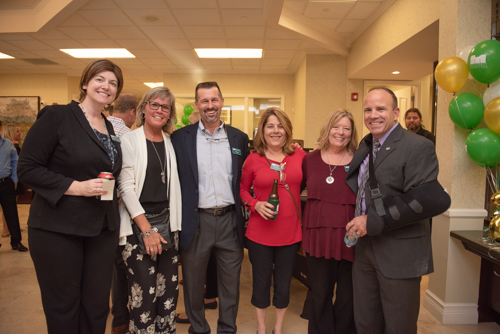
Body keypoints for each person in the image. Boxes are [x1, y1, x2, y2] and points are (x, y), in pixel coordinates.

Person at [17, 59, 123, 333]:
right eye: (100, 79)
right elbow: (27, 168)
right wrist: (77, 187)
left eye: (113, 83)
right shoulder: (57, 116)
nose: (106, 86)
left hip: (102, 229)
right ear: (85, 83)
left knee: (97, 305)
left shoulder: (109, 127)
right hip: (58, 228)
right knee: (64, 306)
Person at [345, 87, 439, 334]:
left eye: (380, 109)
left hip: (401, 252)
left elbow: (421, 201)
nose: (373, 115)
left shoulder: (417, 146)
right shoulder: (366, 146)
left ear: (396, 113)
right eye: (368, 109)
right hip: (365, 250)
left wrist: (372, 221)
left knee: (399, 326)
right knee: (365, 322)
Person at [171, 81, 249, 334]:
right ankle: (198, 329)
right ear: (197, 105)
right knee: (193, 284)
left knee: (230, 286)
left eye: (214, 100)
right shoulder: (180, 139)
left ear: (222, 102)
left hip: (229, 221)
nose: (210, 106)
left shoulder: (239, 138)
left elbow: (249, 178)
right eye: (204, 101)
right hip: (197, 222)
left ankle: (227, 329)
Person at [117, 86, 182, 333]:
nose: (159, 110)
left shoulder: (170, 142)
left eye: (165, 107)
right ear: (143, 108)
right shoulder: (129, 140)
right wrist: (147, 230)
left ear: (170, 113)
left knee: (168, 297)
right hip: (138, 228)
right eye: (154, 104)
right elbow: (125, 187)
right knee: (143, 297)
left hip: (168, 225)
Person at [240, 107, 305, 334]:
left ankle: (278, 328)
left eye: (280, 126)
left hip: (290, 234)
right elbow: (242, 190)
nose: (275, 131)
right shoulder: (253, 159)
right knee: (260, 283)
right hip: (259, 235)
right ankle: (261, 328)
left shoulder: (300, 156)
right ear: (262, 131)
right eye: (270, 126)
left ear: (287, 130)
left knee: (283, 284)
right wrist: (254, 204)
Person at [301, 109, 358, 334]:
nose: (341, 132)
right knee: (320, 294)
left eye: (346, 128)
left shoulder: (359, 160)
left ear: (352, 133)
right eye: (336, 127)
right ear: (328, 129)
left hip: (350, 238)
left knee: (348, 297)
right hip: (318, 237)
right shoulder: (310, 159)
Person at [176, 108, 219, 325]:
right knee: (196, 266)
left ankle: (210, 297)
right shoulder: (178, 140)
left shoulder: (234, 137)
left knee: (210, 262)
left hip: (221, 215)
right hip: (194, 213)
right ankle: (197, 321)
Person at [106, 92, 138, 334]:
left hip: (97, 208)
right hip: (121, 210)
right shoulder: (129, 137)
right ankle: (120, 317)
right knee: (121, 266)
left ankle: (115, 315)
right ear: (133, 112)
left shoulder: (98, 127)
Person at [0, 121, 27, 252]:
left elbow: (15, 161)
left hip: (6, 182)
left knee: (11, 212)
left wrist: (15, 179)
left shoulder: (8, 144)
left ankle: (16, 241)